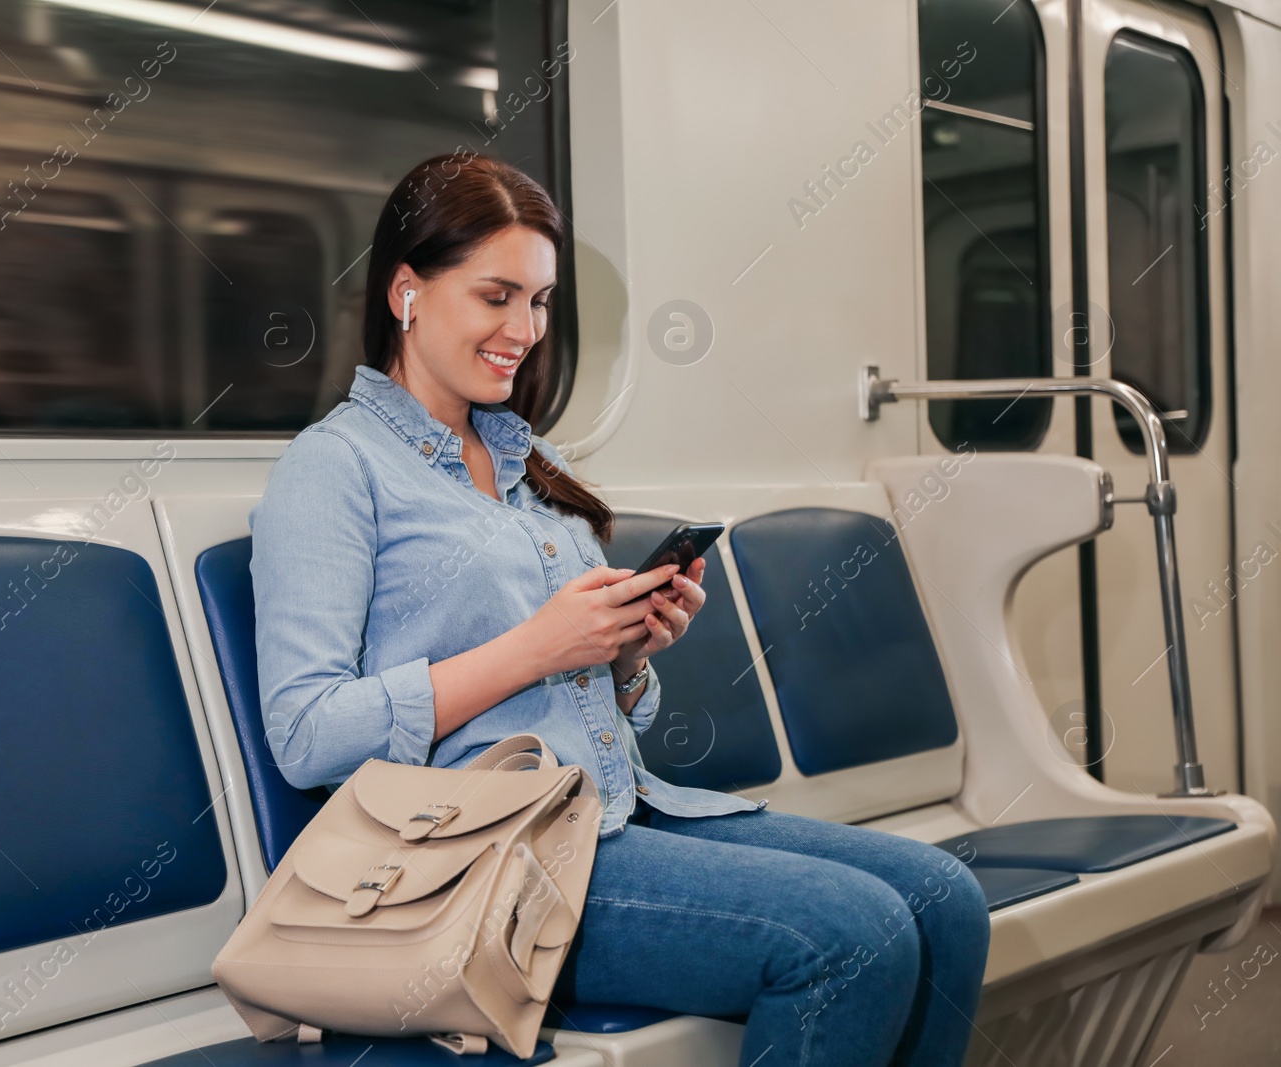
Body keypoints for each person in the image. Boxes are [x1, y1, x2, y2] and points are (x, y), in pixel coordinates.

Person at [247, 151, 990, 1067]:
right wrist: (536, 647)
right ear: (407, 291)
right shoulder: (334, 468)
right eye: (497, 296)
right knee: (850, 934)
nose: (525, 328)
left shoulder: (524, 463)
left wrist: (624, 653)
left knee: (945, 899)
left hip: (618, 811)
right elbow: (306, 731)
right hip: (489, 863)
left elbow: (589, 696)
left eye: (543, 301)